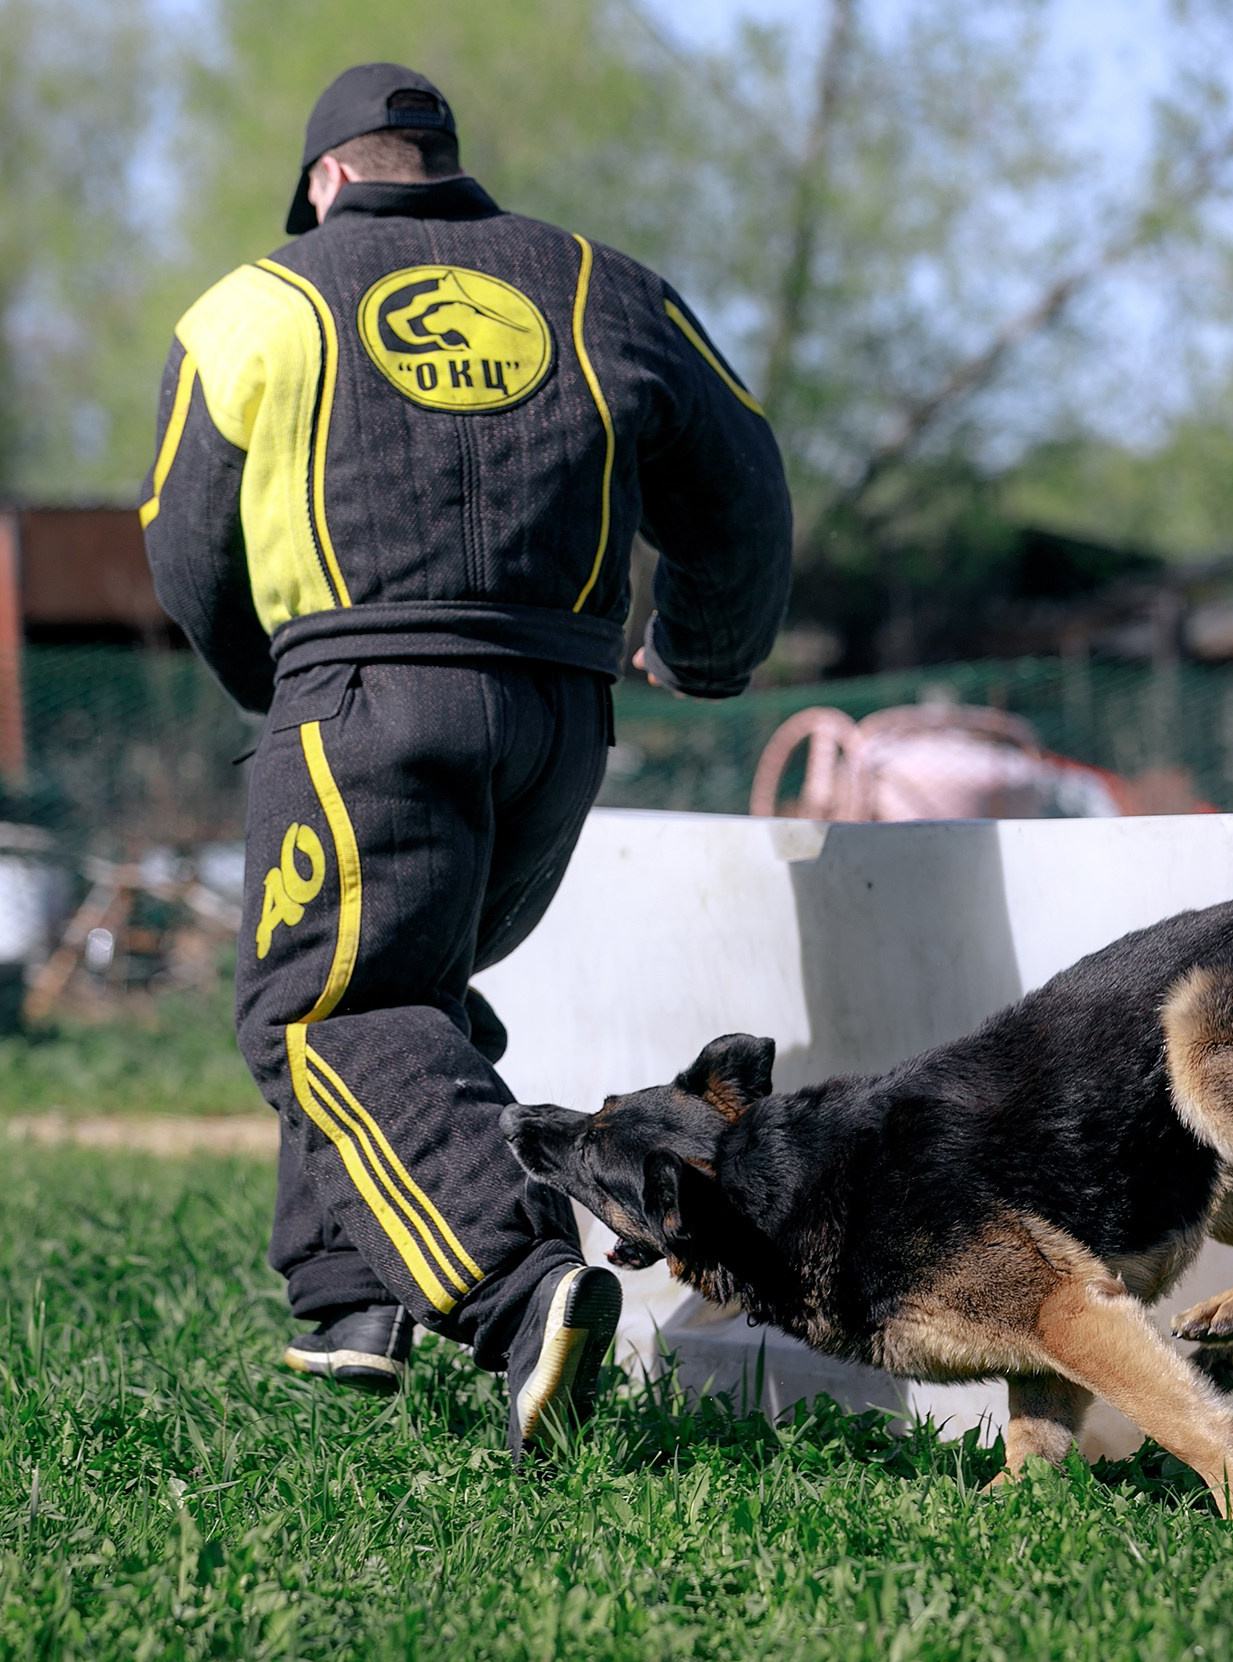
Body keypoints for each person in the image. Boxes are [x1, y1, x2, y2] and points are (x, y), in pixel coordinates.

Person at [141, 65, 792, 1460]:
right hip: (562, 717)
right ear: (443, 160)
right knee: (404, 991)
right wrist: (701, 651)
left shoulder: (265, 298)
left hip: (366, 693)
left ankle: (517, 1282)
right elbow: (742, 472)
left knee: (323, 1007)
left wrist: (282, 687)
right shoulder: (602, 285)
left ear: (325, 184)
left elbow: (186, 545)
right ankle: (350, 1298)